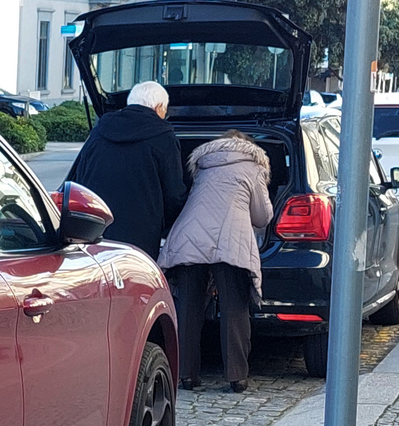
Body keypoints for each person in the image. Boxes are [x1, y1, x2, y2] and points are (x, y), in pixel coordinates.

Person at [158, 131, 272, 392]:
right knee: (234, 306)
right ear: (247, 147)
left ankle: (186, 374)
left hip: (188, 236)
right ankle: (236, 377)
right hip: (230, 239)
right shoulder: (253, 167)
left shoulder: (204, 167)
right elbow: (263, 216)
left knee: (188, 307)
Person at [65, 80, 187, 257]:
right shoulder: (163, 137)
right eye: (165, 111)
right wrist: (168, 228)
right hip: (140, 236)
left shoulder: (100, 131)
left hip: (96, 229)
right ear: (159, 106)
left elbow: (78, 178)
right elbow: (174, 193)